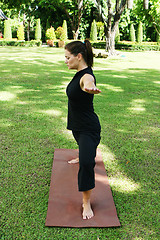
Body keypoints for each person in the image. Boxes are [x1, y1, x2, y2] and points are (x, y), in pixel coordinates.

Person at [65, 40, 101, 220]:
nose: (66, 61)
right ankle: (83, 151)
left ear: (79, 57)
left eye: (68, 57)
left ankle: (86, 202)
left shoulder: (86, 76)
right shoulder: (78, 72)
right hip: (78, 128)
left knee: (87, 164)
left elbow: (89, 81)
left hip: (89, 128)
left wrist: (90, 87)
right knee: (84, 150)